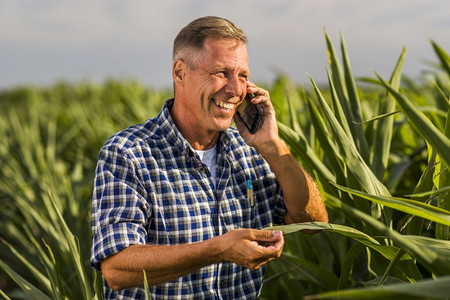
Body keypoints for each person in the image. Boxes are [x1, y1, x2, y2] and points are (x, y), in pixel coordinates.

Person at [90, 16, 328, 299]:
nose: (236, 90)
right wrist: (218, 250)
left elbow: (314, 223)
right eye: (221, 72)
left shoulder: (251, 151)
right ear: (180, 73)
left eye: (242, 76)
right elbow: (117, 269)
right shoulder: (129, 152)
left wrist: (273, 146)